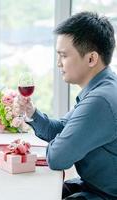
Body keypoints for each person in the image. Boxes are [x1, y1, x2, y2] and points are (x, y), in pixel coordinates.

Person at [18, 12, 117, 200]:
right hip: (92, 187)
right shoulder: (102, 88)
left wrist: (65, 142)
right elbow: (61, 129)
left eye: (63, 56)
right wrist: (32, 114)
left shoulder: (100, 101)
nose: (58, 63)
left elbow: (57, 158)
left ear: (91, 59)